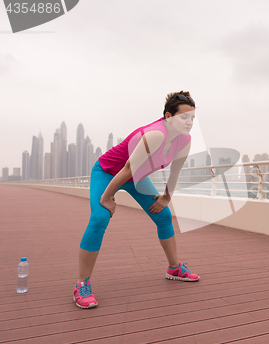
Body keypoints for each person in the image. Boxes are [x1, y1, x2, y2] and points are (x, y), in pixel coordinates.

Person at [73, 91, 199, 309]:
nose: (189, 122)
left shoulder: (184, 140)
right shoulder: (155, 134)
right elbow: (127, 167)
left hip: (135, 178)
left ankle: (174, 268)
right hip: (108, 172)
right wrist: (107, 197)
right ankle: (82, 285)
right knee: (100, 217)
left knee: (164, 215)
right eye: (184, 117)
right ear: (168, 116)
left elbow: (175, 173)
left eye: (192, 118)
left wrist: (166, 198)